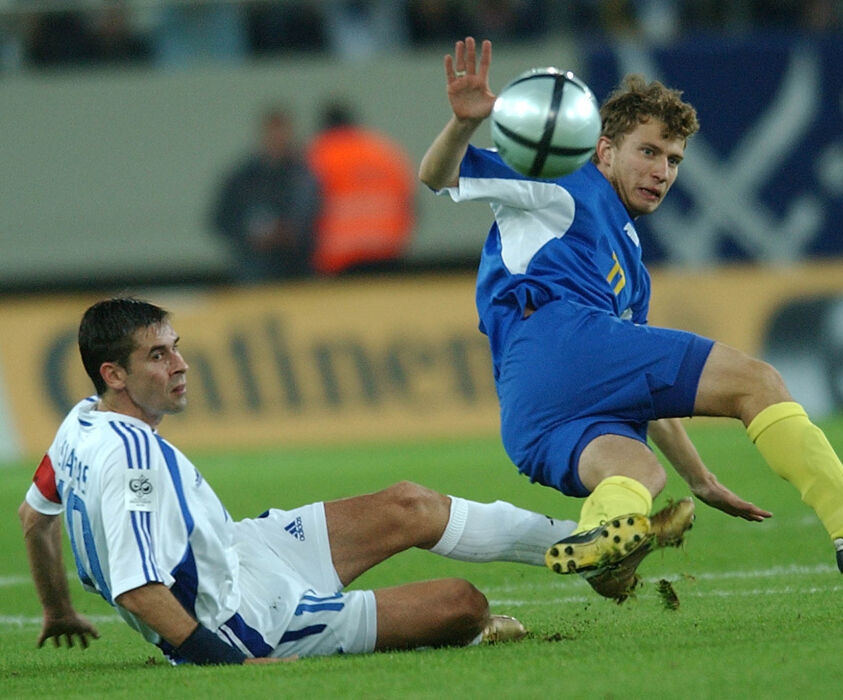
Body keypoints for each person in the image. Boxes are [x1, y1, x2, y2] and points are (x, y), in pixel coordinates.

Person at [418, 37, 843, 598]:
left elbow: (644, 387)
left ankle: (603, 546)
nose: (663, 171)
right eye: (648, 151)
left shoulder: (631, 264)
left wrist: (698, 478)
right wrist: (463, 124)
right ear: (603, 150)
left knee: (639, 476)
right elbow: (439, 176)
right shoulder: (564, 179)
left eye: (674, 160)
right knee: (756, 381)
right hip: (558, 337)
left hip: (531, 411)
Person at [21, 296, 651, 664]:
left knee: (409, 503)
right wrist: (230, 666)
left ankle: (590, 549)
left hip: (245, 550)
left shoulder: (78, 423)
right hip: (248, 620)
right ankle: (479, 627)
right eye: (158, 356)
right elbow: (138, 591)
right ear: (115, 375)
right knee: (463, 603)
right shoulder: (131, 458)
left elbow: (33, 518)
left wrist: (56, 608)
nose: (181, 365)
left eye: (177, 347)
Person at [211, 106, 319, 283]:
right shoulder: (242, 178)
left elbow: (318, 216)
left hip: (298, 271)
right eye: (273, 133)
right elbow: (220, 220)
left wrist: (293, 233)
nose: (278, 139)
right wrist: (250, 236)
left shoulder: (305, 175)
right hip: (256, 271)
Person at [306, 101, 416, 274]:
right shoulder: (383, 151)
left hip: (341, 256)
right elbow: (410, 202)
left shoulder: (319, 153)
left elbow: (306, 206)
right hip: (387, 249)